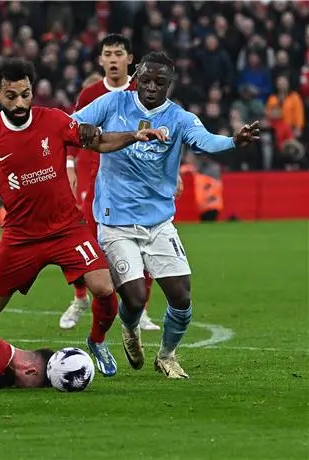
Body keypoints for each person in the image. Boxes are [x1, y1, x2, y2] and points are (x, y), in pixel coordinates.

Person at [0, 57, 166, 379]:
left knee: (104, 288)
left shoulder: (53, 120)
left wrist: (133, 136)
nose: (21, 102)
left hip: (67, 228)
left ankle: (96, 341)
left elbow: (97, 141)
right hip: (21, 236)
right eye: (12, 96)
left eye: (26, 93)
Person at [71, 51, 260, 379]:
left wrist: (233, 140)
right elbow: (72, 124)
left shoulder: (179, 118)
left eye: (160, 82)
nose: (152, 87)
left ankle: (167, 356)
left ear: (169, 84)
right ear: (137, 78)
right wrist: (73, 148)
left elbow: (205, 140)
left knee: (182, 297)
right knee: (134, 296)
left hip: (158, 223)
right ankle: (130, 329)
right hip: (115, 221)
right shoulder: (113, 103)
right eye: (146, 80)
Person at [59, 34, 162, 337]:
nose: (113, 59)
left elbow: (157, 131)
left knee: (145, 239)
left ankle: (139, 309)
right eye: (108, 54)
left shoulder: (142, 89)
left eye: (119, 53)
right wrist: (68, 165)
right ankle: (80, 298)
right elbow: (70, 131)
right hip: (92, 171)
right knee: (84, 239)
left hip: (136, 175)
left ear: (130, 59)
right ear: (101, 60)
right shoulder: (90, 93)